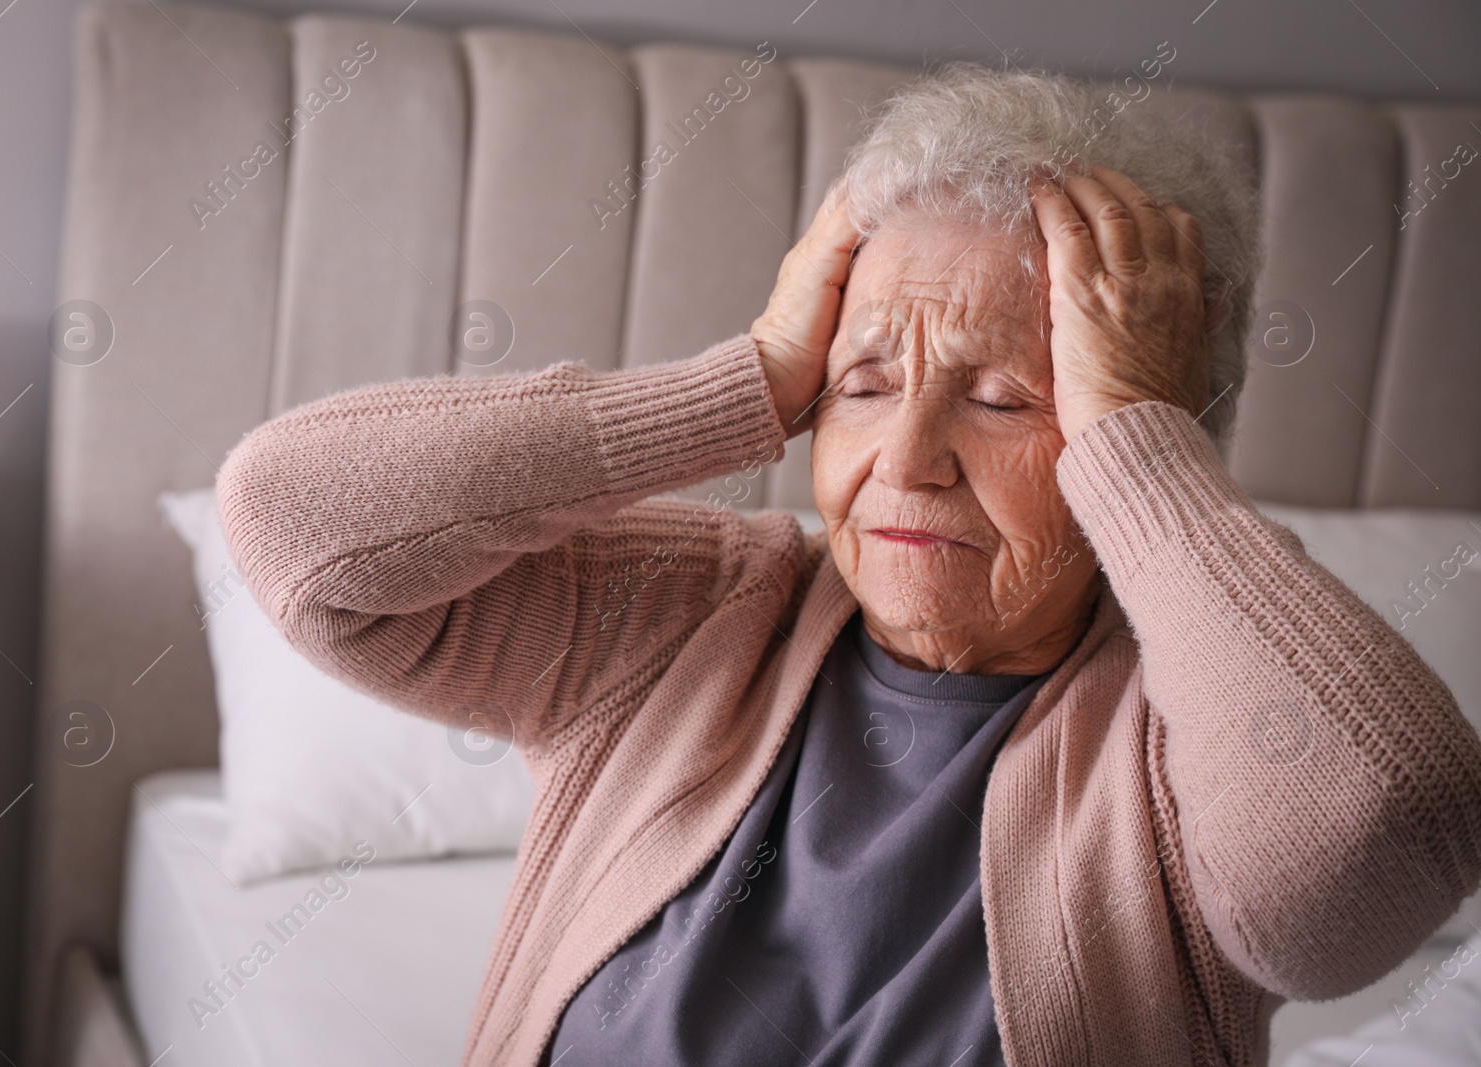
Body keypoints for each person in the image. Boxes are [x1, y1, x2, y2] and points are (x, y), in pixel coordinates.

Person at [214, 63, 1481, 1067]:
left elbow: (1375, 854)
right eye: (861, 383)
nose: (907, 458)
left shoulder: (1181, 740)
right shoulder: (680, 616)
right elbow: (293, 524)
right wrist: (745, 379)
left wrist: (1147, 452)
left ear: (1134, 428)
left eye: (1003, 399)